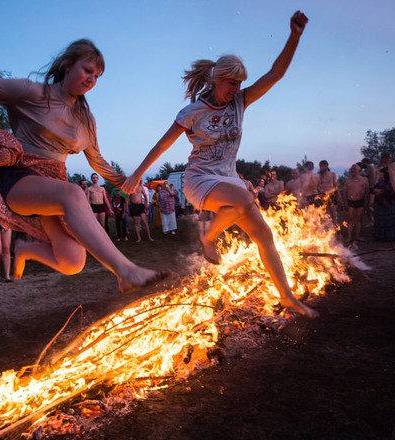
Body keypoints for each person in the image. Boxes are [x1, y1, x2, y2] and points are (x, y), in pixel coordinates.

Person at [122, 11, 317, 318]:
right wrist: (138, 172)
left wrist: (294, 36)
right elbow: (163, 144)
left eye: (241, 83)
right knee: (243, 197)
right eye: (232, 82)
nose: (237, 88)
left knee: (264, 237)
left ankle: (287, 296)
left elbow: (275, 74)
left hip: (228, 180)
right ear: (216, 79)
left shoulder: (240, 102)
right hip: (200, 180)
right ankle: (208, 236)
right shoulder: (193, 112)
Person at [0, 38, 163, 292]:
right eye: (88, 70)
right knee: (74, 193)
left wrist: (124, 180)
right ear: (67, 65)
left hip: (54, 184)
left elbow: (96, 160)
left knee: (72, 262)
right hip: (20, 176)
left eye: (97, 76)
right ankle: (125, 271)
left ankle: (25, 249)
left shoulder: (86, 119)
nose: (92, 79)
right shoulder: (33, 92)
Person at [343, 164, 370, 243]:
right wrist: (345, 203)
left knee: (359, 219)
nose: (353, 171)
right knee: (350, 219)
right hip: (351, 202)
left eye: (355, 169)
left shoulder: (364, 180)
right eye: (352, 169)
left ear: (359, 171)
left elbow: (367, 192)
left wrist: (367, 203)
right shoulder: (347, 181)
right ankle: (349, 237)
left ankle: (358, 236)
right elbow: (345, 193)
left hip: (360, 201)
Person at [371, 166, 395, 242]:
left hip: (389, 204)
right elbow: (372, 190)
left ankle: (390, 236)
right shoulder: (379, 183)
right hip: (380, 205)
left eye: (381, 174)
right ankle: (381, 236)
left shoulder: (391, 183)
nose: (379, 175)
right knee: (381, 221)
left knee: (390, 221)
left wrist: (379, 191)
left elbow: (386, 191)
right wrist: (377, 191)